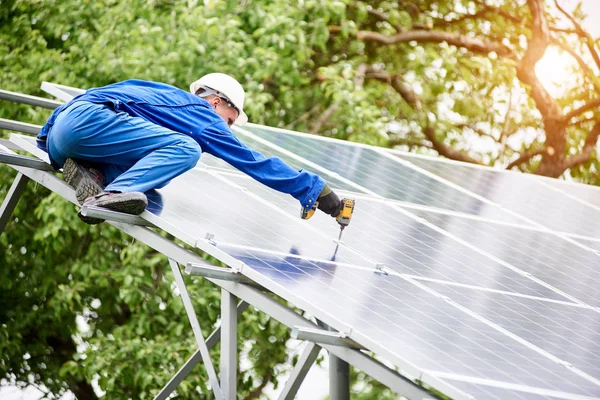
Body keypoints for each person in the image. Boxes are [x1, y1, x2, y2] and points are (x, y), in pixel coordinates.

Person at [36, 73, 342, 224]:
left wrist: (51, 142)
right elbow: (252, 161)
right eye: (230, 120)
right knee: (187, 149)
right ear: (216, 102)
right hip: (90, 121)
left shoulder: (166, 99)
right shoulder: (202, 113)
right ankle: (111, 195)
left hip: (63, 134)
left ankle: (95, 175)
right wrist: (313, 189)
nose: (227, 128)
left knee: (157, 176)